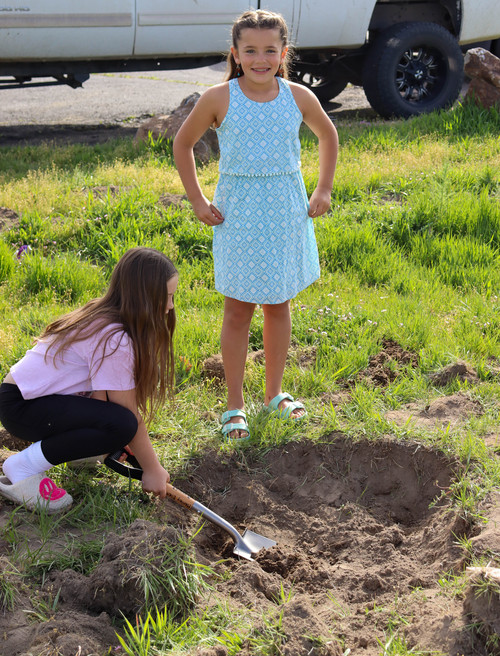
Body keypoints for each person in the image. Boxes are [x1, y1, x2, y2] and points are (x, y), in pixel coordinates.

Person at [173, 9, 338, 442]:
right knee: (237, 307)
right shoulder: (218, 97)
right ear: (236, 53)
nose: (260, 58)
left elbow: (328, 135)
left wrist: (322, 189)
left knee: (278, 303)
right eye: (251, 50)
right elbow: (183, 143)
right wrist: (196, 199)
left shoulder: (298, 97)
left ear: (284, 52)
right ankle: (233, 405)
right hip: (239, 213)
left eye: (270, 50)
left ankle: (274, 394)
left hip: (285, 209)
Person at [0, 247, 178, 513]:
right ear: (144, 298)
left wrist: (105, 442)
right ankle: (22, 467)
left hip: (26, 399)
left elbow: (99, 399)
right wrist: (151, 469)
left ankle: (79, 455)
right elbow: (126, 413)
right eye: (166, 297)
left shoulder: (105, 316)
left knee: (116, 425)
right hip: (23, 406)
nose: (170, 306)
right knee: (122, 423)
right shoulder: (115, 339)